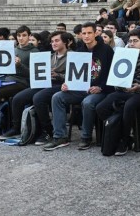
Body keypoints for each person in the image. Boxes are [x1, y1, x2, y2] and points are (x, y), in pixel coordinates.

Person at [43, 22, 114, 151]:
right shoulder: (79, 51)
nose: (86, 36)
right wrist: (67, 84)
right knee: (57, 97)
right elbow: (73, 73)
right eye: (84, 33)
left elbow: (112, 73)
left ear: (95, 33)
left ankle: (86, 137)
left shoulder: (106, 50)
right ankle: (60, 137)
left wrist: (101, 87)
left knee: (87, 102)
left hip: (101, 90)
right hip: (81, 89)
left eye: (89, 33)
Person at [95, 28, 140, 156]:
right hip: (124, 91)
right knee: (101, 107)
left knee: (129, 106)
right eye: (130, 41)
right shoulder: (123, 56)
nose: (132, 44)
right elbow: (116, 78)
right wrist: (122, 86)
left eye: (135, 41)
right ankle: (120, 132)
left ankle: (124, 140)